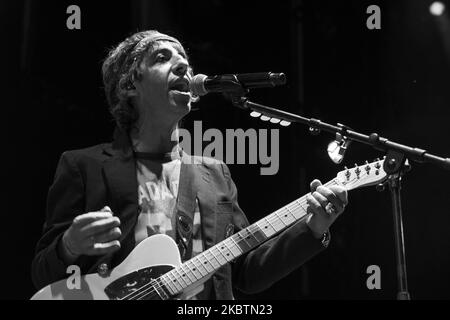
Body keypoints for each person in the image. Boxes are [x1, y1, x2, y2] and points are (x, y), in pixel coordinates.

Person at [31, 30, 348, 300]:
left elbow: (246, 272)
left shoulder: (215, 173)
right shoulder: (83, 165)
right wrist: (70, 246)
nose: (183, 64)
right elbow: (43, 273)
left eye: (184, 57)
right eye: (161, 57)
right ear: (129, 85)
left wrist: (313, 227)